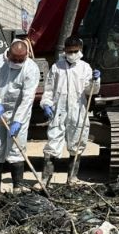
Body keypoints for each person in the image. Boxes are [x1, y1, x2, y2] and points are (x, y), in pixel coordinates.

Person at [40, 36, 101, 184]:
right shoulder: (56, 68)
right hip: (58, 111)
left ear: (80, 50)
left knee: (77, 143)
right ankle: (46, 179)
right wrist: (46, 104)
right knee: (53, 143)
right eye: (70, 51)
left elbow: (91, 91)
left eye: (75, 51)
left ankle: (72, 178)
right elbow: (48, 90)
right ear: (65, 51)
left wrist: (95, 80)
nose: (73, 54)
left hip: (78, 110)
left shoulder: (85, 67)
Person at [0, 39, 40, 195]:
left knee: (16, 149)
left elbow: (28, 97)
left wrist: (18, 121)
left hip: (19, 112)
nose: (17, 63)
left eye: (21, 60)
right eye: (15, 60)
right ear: (9, 54)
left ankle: (17, 188)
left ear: (26, 55)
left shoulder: (31, 68)